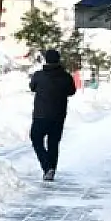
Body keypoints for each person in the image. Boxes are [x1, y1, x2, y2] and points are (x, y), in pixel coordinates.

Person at [29, 48, 76, 181]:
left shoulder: (38, 75)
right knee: (53, 143)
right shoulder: (66, 76)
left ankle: (47, 166)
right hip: (59, 115)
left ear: (46, 60)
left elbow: (32, 87)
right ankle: (51, 170)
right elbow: (72, 91)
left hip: (40, 115)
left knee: (36, 138)